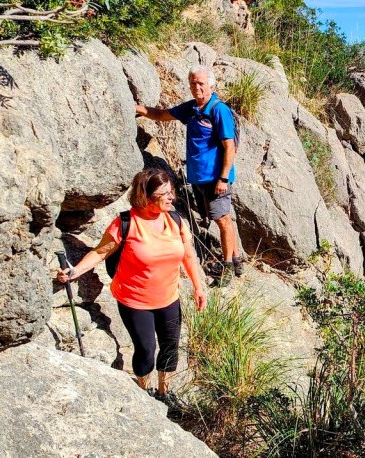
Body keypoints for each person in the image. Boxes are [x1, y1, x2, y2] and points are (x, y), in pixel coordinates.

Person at [55, 168, 208, 402]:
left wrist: (198, 287)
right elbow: (100, 252)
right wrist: (74, 272)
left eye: (171, 192)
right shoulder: (125, 223)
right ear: (146, 197)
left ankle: (164, 393)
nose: (171, 198)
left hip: (169, 297)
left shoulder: (175, 220)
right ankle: (143, 392)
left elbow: (187, 255)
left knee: (170, 348)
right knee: (146, 350)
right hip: (135, 301)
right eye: (164, 194)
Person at [135, 64, 244, 286]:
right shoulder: (192, 109)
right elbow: (162, 115)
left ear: (211, 85)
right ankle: (236, 259)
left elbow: (229, 146)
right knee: (218, 218)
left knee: (222, 219)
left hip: (216, 178)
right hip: (199, 178)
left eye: (201, 83)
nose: (196, 87)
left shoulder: (218, 109)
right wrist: (139, 108)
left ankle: (228, 269)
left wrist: (223, 178)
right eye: (193, 83)